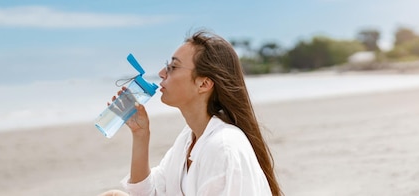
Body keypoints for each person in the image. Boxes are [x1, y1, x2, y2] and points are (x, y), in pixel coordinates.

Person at [100, 30, 282, 196]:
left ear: (204, 84)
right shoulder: (189, 138)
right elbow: (148, 192)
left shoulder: (223, 148)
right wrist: (140, 135)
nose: (162, 73)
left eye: (173, 67)